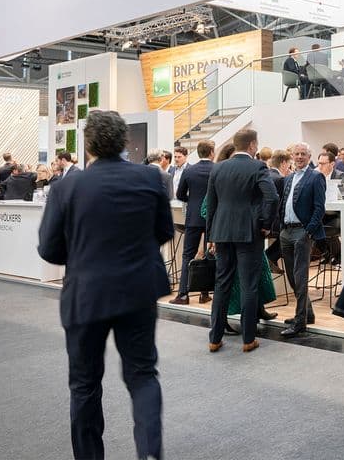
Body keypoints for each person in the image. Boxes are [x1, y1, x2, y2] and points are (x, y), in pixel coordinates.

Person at [38, 110, 173, 460]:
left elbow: (49, 249)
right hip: (139, 291)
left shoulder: (66, 187)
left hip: (86, 294)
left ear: (87, 144)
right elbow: (164, 232)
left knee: (84, 384)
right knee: (143, 376)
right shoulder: (151, 178)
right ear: (124, 141)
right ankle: (149, 455)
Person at [206, 129, 278, 352]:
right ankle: (248, 339)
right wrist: (266, 224)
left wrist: (210, 235)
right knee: (249, 285)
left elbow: (212, 204)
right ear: (253, 145)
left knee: (221, 284)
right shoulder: (257, 167)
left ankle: (215, 338)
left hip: (221, 232)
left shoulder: (218, 168)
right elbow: (272, 197)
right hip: (249, 233)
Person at [278, 142, 326, 337]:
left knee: (300, 277)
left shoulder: (316, 177)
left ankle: (300, 322)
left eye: (303, 154)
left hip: (302, 232)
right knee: (291, 277)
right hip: (286, 232)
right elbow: (284, 202)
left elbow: (319, 208)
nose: (299, 157)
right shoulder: (288, 177)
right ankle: (307, 313)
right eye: (296, 154)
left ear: (309, 156)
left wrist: (308, 231)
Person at [170, 140, 214, 306]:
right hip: (211, 218)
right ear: (212, 152)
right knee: (210, 255)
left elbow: (180, 194)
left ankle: (183, 295)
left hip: (193, 218)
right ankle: (204, 293)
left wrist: (194, 201)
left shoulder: (190, 171)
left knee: (187, 255)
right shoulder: (217, 169)